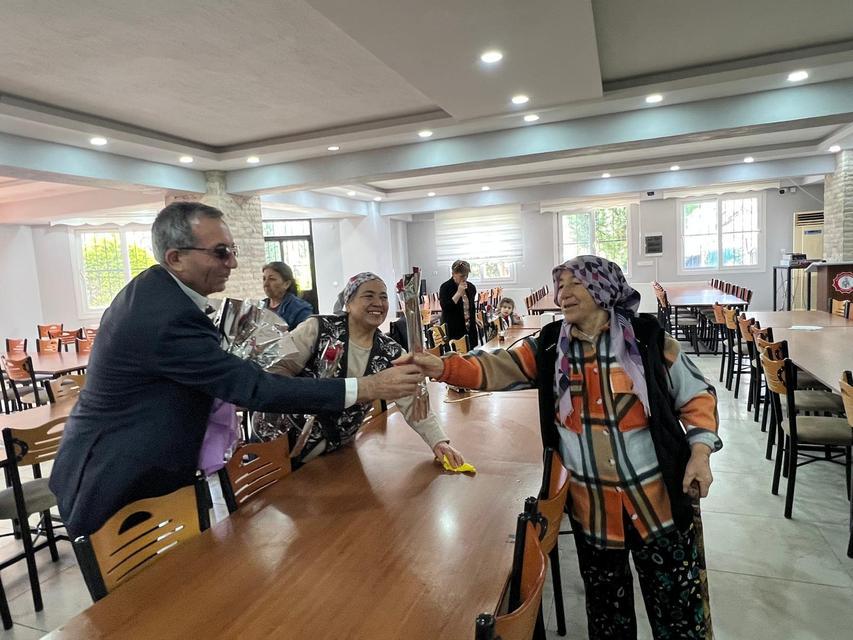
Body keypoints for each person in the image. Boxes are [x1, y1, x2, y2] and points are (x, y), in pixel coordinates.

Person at [49, 202, 424, 538]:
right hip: (119, 475)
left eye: (233, 250)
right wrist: (368, 386)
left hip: (151, 466)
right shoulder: (164, 317)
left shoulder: (161, 293)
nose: (233, 262)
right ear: (176, 257)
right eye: (221, 252)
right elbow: (256, 390)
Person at [401, 255, 720, 639]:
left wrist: (699, 452)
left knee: (679, 619)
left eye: (574, 284)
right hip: (594, 515)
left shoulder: (648, 340)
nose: (562, 293)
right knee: (608, 621)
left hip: (659, 506)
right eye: (560, 284)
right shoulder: (551, 347)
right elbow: (494, 367)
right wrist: (442, 367)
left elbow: (697, 396)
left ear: (602, 289)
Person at [255, 272, 464, 468]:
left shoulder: (390, 351)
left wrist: (438, 442)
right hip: (283, 446)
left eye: (383, 297)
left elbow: (413, 399)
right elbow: (275, 368)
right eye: (368, 296)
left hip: (337, 452)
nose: (378, 303)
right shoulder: (319, 329)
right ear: (348, 302)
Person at [438, 260, 480, 350]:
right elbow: (446, 307)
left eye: (466, 275)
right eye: (461, 276)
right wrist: (458, 293)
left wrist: (474, 318)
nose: (464, 278)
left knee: (470, 355)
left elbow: (471, 307)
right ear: (453, 274)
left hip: (469, 327)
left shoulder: (471, 287)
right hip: (454, 328)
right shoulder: (445, 287)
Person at [262, 261, 313, 329]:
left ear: (286, 284)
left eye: (272, 279)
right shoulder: (260, 307)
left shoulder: (300, 309)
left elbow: (304, 337)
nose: (265, 284)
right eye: (264, 279)